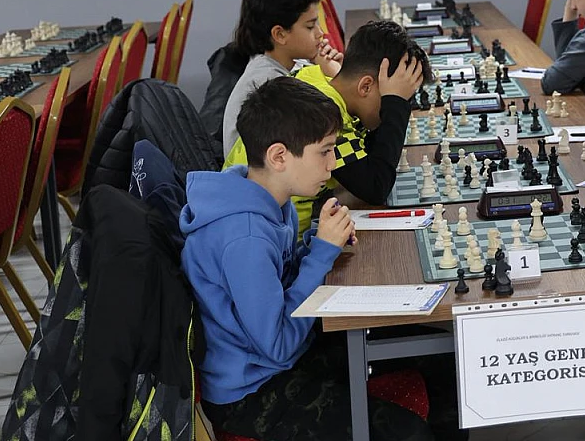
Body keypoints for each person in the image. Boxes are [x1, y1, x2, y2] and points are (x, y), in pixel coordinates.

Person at [183, 77, 433, 441]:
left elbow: (280, 281)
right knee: (409, 433)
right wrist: (320, 255)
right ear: (279, 156)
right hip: (253, 389)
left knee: (433, 355)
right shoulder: (244, 238)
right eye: (325, 151)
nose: (333, 164)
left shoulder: (270, 198)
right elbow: (279, 345)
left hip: (282, 353)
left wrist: (316, 241)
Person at [223, 19, 428, 234]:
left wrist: (391, 101)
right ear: (366, 86)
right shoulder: (325, 115)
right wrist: (396, 106)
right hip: (274, 237)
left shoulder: (316, 81)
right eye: (400, 99)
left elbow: (368, 153)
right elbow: (376, 186)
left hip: (268, 225)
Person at [219, 0, 342, 156]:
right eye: (310, 26)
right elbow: (324, 132)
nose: (320, 33)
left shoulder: (294, 65)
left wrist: (331, 72)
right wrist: (338, 79)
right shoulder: (269, 84)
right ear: (280, 34)